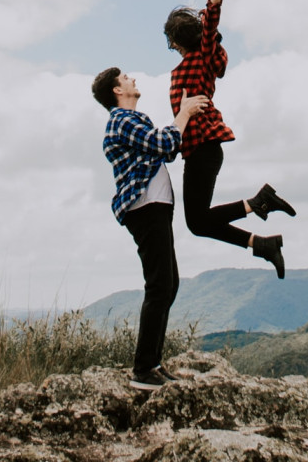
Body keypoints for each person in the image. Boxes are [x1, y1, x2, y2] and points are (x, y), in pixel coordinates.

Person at [167, 0, 297, 278]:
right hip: (201, 152)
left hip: (203, 150)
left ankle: (259, 205)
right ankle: (262, 241)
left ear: (176, 42)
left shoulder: (199, 59)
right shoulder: (198, 61)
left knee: (197, 222)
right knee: (198, 222)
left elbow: (210, 24)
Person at [92, 65, 207, 389]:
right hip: (145, 208)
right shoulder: (121, 120)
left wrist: (176, 127)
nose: (132, 79)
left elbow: (168, 149)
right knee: (159, 285)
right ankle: (143, 370)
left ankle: (153, 364)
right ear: (117, 90)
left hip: (155, 207)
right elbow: (163, 142)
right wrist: (183, 112)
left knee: (168, 284)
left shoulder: (133, 120)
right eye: (126, 78)